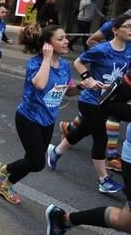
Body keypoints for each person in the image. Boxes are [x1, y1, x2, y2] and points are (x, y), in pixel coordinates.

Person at [46, 14, 131, 193]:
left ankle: (56, 152)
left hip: (109, 100)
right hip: (90, 100)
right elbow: (79, 62)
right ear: (115, 30)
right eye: (128, 26)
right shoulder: (102, 49)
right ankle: (103, 180)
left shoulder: (130, 48)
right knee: (101, 138)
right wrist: (89, 79)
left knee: (81, 132)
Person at [0, 24, 74, 204]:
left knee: (31, 160)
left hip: (48, 119)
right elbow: (40, 84)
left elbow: (68, 90)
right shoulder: (35, 63)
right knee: (37, 162)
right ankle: (3, 170)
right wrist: (47, 59)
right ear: (47, 44)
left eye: (65, 37)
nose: (66, 41)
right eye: (60, 39)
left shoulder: (66, 65)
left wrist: (85, 87)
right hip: (29, 118)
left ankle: (6, 184)